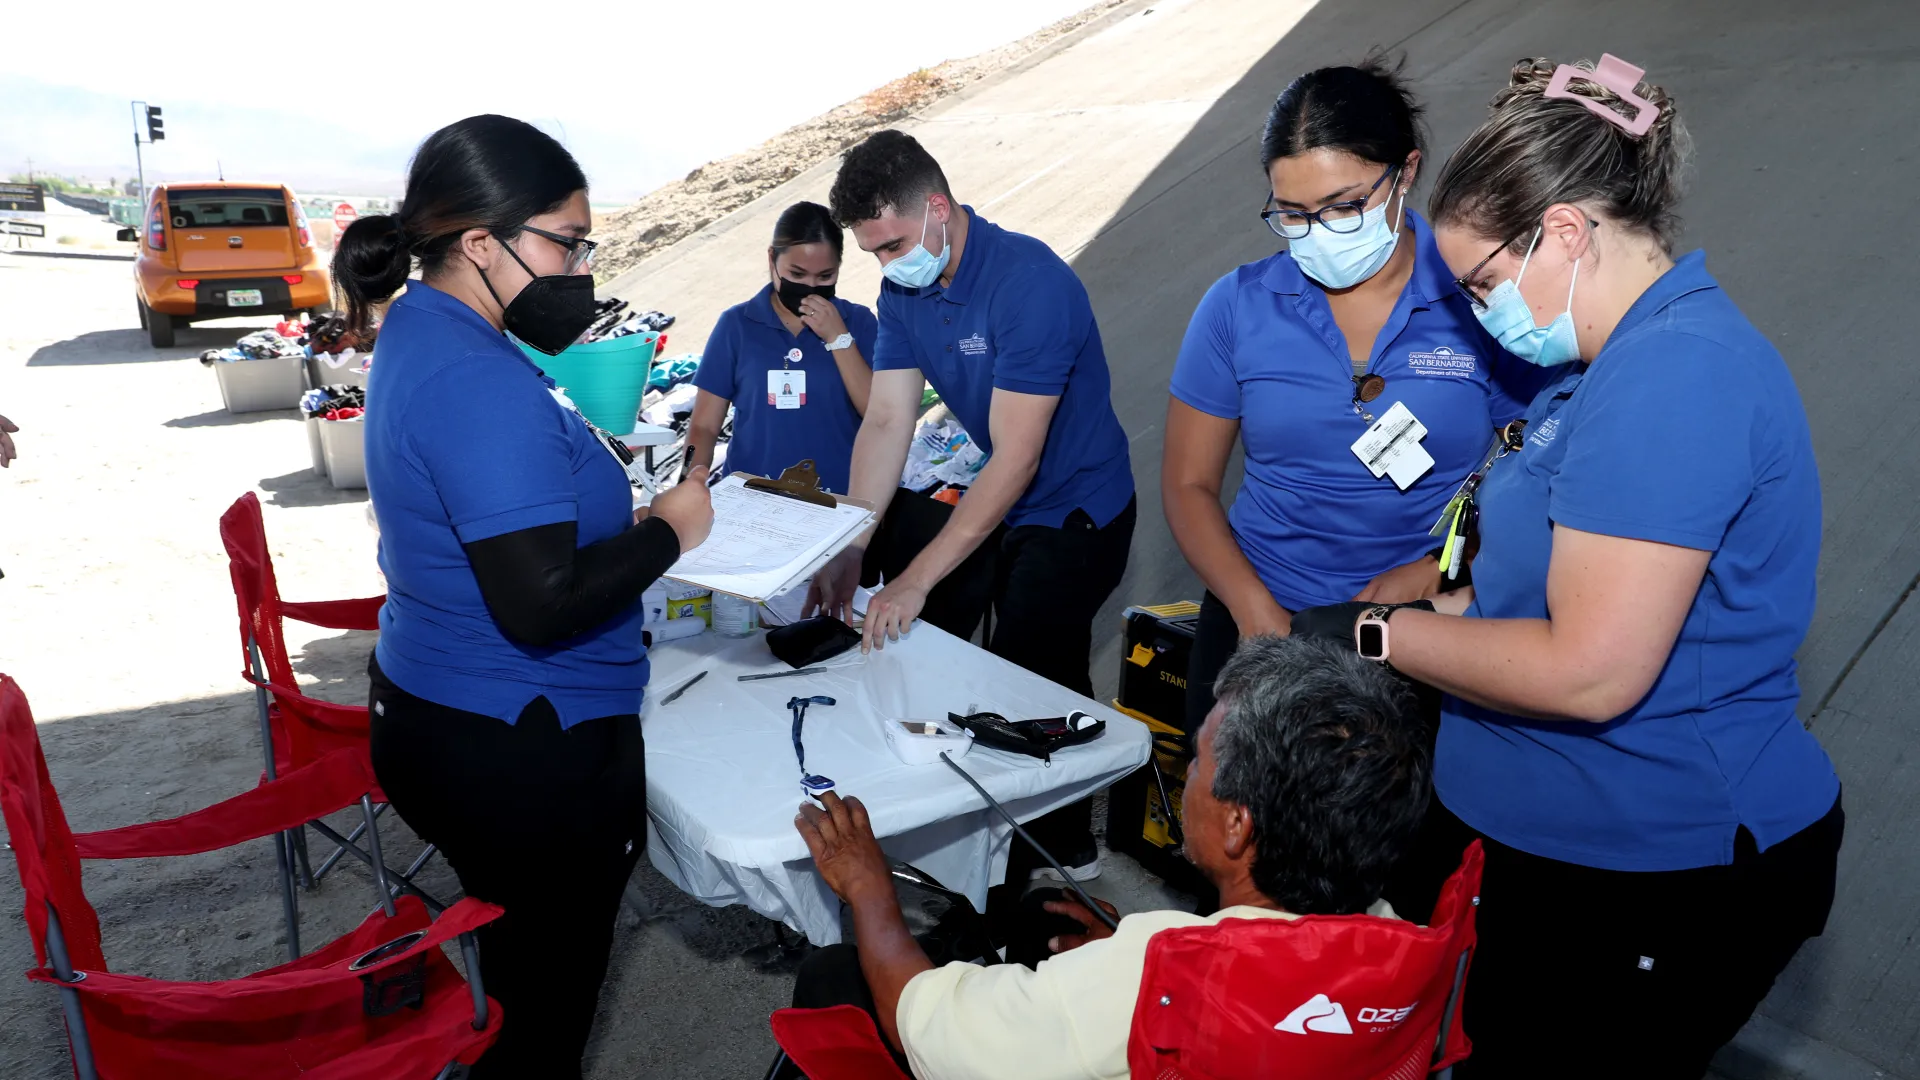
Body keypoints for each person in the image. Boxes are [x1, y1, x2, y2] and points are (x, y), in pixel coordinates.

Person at [1293, 56, 1843, 1078]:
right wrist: (1437, 605)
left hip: (1654, 868)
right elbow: (1537, 589)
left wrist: (1379, 638)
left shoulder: (1676, 379)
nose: (1480, 312)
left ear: (1564, 232)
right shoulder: (1601, 371)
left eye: (1483, 284)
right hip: (1553, 849)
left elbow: (1592, 671)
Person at [335, 114, 715, 1080]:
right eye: (566, 242)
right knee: (542, 1022)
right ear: (479, 242)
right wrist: (671, 531)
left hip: (441, 704)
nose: (579, 268)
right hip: (519, 740)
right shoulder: (475, 377)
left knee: (515, 985)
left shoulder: (424, 326)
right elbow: (540, 607)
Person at [784, 635, 1429, 1080]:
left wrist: (870, 891)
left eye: (1199, 761)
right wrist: (1127, 953)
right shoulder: (1401, 944)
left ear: (1238, 826)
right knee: (1044, 916)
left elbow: (925, 1027)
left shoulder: (1149, 975)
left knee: (835, 975)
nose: (1188, 775)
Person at [1165, 59, 1545, 733]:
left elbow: (1540, 464)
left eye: (1344, 206)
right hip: (1260, 609)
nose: (1319, 232)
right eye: (1293, 214)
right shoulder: (1236, 308)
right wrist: (1254, 611)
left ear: (1406, 172)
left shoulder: (1478, 295)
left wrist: (1445, 565)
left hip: (1424, 623)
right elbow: (1188, 485)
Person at [805, 129, 1136, 878]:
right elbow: (887, 420)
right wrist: (852, 545)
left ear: (937, 208)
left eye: (892, 245)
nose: (886, 266)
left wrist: (914, 579)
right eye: (873, 253)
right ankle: (1055, 833)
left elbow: (1018, 457)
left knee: (1022, 669)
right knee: (1039, 663)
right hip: (1010, 504)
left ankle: (1049, 856)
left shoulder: (1031, 285)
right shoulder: (904, 290)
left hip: (1079, 509)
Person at [686, 201, 879, 493]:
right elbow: (704, 427)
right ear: (772, 259)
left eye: (825, 276)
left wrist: (838, 338)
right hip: (751, 497)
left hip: (840, 498)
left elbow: (879, 416)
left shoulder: (859, 322)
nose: (810, 286)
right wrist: (689, 481)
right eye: (797, 274)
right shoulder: (736, 326)